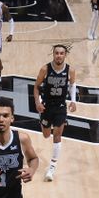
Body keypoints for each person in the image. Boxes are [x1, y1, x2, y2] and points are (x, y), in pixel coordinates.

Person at [34, 45, 77, 182]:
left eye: (61, 53)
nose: (59, 55)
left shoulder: (70, 70)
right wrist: (37, 103)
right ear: (53, 54)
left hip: (60, 107)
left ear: (65, 55)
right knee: (46, 135)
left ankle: (52, 167)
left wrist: (73, 101)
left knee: (57, 136)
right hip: (46, 106)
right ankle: (43, 123)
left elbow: (72, 85)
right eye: (57, 53)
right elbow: (36, 87)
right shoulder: (45, 69)